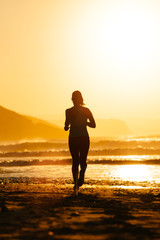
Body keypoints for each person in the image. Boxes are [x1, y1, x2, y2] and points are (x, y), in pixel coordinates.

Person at [64, 90, 96, 194]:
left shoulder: (69, 111)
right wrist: (85, 123)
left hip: (74, 137)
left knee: (76, 161)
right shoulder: (85, 110)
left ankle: (77, 182)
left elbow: (65, 126)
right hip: (82, 137)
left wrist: (67, 126)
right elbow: (93, 125)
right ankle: (80, 178)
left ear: (73, 99)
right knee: (81, 160)